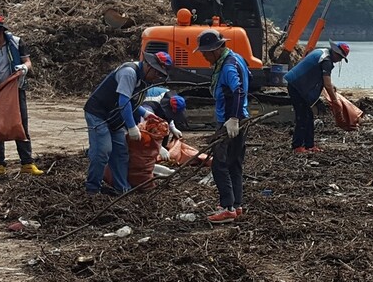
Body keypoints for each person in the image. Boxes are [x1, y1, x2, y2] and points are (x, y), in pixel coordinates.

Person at [83, 51, 173, 195]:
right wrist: (131, 127)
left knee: (121, 152)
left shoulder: (144, 80)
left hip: (115, 118)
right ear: (149, 66)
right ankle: (92, 188)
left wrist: (145, 113)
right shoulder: (129, 73)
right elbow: (123, 101)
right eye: (157, 73)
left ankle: (122, 189)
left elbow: (132, 102)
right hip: (99, 114)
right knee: (103, 151)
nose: (157, 77)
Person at [0, 13, 44, 176]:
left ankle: (27, 163)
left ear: (0, 30)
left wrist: (24, 68)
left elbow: (28, 61)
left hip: (15, 90)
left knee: (20, 124)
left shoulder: (17, 42)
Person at [195, 29, 249, 223]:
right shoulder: (235, 58)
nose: (203, 56)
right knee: (234, 163)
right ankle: (237, 204)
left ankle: (227, 207)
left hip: (230, 122)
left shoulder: (227, 67)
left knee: (219, 165)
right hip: (240, 118)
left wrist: (233, 118)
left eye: (205, 52)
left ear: (216, 49)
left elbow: (239, 91)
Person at [284, 40, 350, 153]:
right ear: (336, 53)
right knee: (302, 116)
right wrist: (335, 101)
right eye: (340, 57)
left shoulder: (322, 52)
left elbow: (324, 79)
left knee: (308, 116)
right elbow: (327, 85)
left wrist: (330, 85)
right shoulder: (327, 60)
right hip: (297, 86)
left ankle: (309, 145)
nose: (339, 60)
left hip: (299, 86)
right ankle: (297, 145)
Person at [138, 88, 188, 160]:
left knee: (164, 127)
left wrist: (173, 128)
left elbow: (170, 116)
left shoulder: (174, 99)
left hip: (157, 109)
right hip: (140, 111)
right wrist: (158, 147)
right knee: (153, 130)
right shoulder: (149, 105)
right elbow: (144, 127)